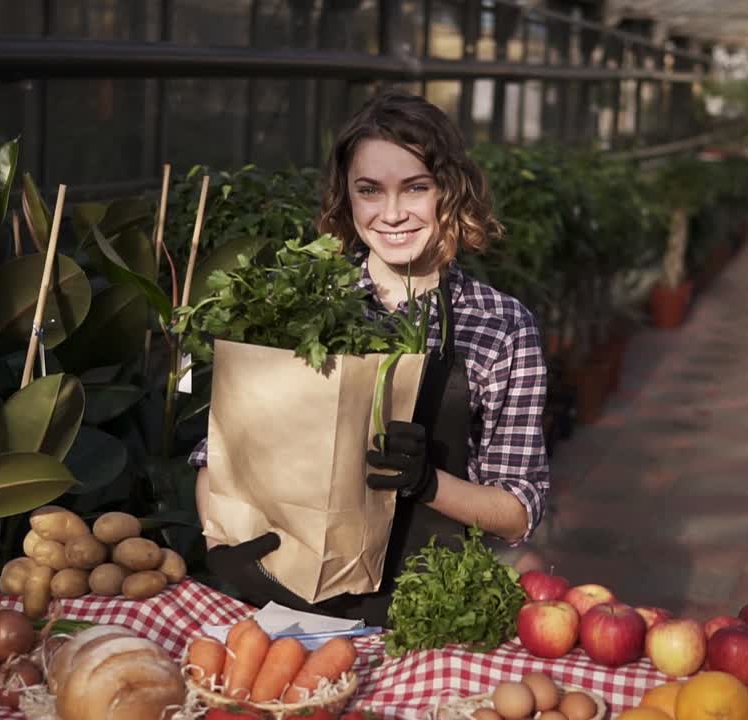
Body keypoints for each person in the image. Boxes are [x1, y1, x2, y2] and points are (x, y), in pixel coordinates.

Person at [189, 90, 550, 625]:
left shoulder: (500, 326)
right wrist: (234, 552)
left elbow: (518, 511)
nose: (392, 213)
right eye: (369, 191)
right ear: (347, 197)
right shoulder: (302, 304)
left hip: (422, 611)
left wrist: (427, 482)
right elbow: (216, 457)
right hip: (280, 593)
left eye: (415, 188)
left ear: (450, 189)